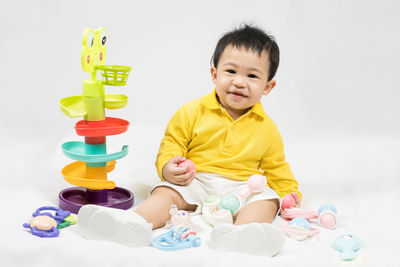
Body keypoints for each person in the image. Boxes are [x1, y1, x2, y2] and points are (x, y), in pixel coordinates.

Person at [78, 24, 301, 257]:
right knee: (165, 193)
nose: (239, 82)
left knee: (267, 200)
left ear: (268, 86)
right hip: (195, 180)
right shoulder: (192, 111)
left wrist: (289, 194)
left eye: (252, 76)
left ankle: (244, 235)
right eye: (231, 71)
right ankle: (131, 224)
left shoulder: (268, 128)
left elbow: (276, 168)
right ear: (215, 74)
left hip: (241, 187)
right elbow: (172, 142)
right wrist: (168, 166)